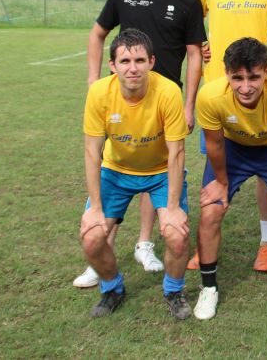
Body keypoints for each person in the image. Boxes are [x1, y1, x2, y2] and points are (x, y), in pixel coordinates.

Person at [73, 0, 205, 288]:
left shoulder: (188, 1)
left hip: (166, 100)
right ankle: (102, 249)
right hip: (126, 97)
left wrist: (189, 103)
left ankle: (145, 244)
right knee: (123, 158)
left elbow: (195, 54)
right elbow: (98, 32)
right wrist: (92, 80)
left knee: (159, 164)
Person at [192, 0, 267, 273]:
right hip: (217, 85)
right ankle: (207, 245)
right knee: (216, 162)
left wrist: (256, 46)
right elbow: (193, 18)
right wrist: (202, 44)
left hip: (257, 86)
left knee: (266, 170)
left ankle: (266, 244)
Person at [192, 37, 267, 323]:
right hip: (233, 150)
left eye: (254, 77)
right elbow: (215, 145)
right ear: (226, 74)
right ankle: (208, 287)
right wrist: (220, 182)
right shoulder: (209, 96)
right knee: (211, 211)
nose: (246, 87)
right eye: (237, 78)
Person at [78, 29, 192, 319]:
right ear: (112, 65)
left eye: (140, 60)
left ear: (152, 62)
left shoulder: (168, 92)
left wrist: (175, 207)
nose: (133, 68)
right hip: (116, 172)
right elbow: (92, 151)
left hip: (160, 173)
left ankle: (173, 291)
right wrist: (95, 208)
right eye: (125, 60)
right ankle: (112, 288)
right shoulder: (99, 93)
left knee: (177, 235)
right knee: (92, 237)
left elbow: (177, 152)